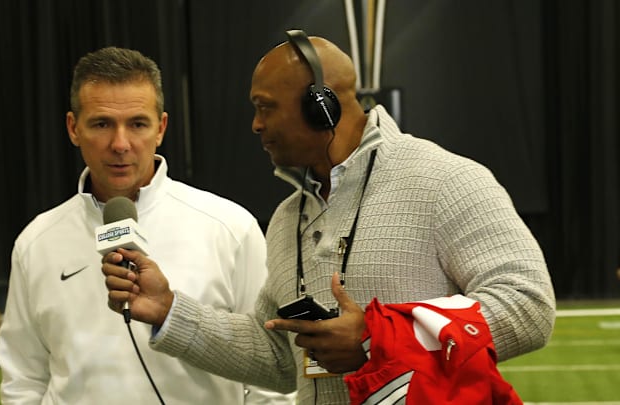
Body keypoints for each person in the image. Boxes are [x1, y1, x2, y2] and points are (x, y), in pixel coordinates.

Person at [102, 32, 556, 404]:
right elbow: (279, 359)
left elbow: (529, 305)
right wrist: (167, 310)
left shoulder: (444, 181)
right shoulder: (286, 219)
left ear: (321, 106)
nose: (256, 125)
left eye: (266, 107)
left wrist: (379, 337)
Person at [0, 46, 294, 404]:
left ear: (161, 128)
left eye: (137, 124)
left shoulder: (230, 227)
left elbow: (270, 379)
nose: (120, 144)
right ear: (74, 128)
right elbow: (23, 380)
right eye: (102, 124)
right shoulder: (36, 242)